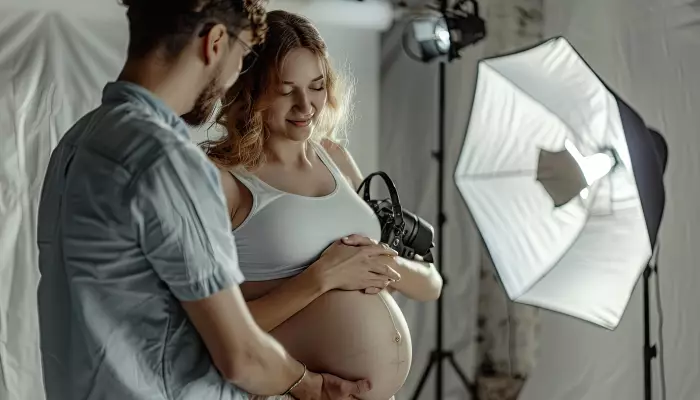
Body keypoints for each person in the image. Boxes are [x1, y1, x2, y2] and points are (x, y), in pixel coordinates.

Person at [35, 1, 371, 400]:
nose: (233, 81)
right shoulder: (168, 160)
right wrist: (314, 386)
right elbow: (241, 356)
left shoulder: (77, 142)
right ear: (215, 42)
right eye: (243, 54)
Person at [203, 10, 444, 400]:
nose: (306, 106)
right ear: (249, 89)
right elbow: (215, 329)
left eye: (316, 86)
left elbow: (429, 285)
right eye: (286, 90)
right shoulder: (222, 179)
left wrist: (380, 263)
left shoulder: (335, 157)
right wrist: (321, 277)